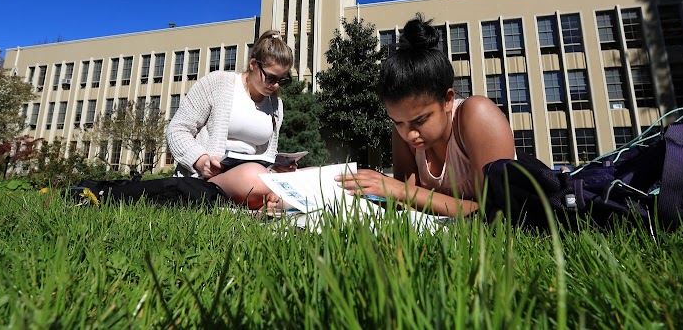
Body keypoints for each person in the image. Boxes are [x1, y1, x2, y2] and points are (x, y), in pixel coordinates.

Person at [337, 14, 515, 216]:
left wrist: (399, 190)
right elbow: (408, 206)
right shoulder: (404, 131)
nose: (410, 134)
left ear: (447, 100)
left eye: (420, 120)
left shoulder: (476, 114)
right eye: (398, 122)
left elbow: (496, 211)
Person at [166, 30, 295, 209]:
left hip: (254, 176)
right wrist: (201, 160)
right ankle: (271, 201)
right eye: (271, 77)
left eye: (282, 80)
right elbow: (177, 129)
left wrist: (278, 167)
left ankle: (266, 202)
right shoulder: (218, 83)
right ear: (253, 64)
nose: (275, 85)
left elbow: (267, 154)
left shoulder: (275, 104)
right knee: (255, 177)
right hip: (209, 179)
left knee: (315, 175)